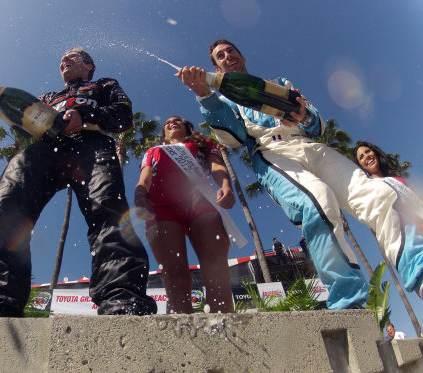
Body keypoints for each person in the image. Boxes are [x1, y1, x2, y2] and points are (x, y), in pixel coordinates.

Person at [177, 39, 423, 310]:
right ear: (216, 66)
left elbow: (316, 124)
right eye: (220, 56)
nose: (227, 56)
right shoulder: (223, 99)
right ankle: (348, 301)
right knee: (318, 203)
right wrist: (204, 94)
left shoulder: (280, 82)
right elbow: (233, 138)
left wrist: (303, 116)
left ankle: (421, 274)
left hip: (311, 146)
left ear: (241, 54)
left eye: (230, 51)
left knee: (380, 195)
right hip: (272, 152)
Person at [0, 47, 157, 317]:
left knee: (107, 208)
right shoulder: (48, 97)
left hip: (93, 144)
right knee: (7, 206)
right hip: (47, 147)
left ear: (88, 65)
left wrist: (87, 117)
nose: (64, 60)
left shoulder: (105, 84)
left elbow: (123, 117)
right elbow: (24, 121)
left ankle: (123, 301)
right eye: (61, 58)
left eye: (73, 56)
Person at [135, 116, 238, 313]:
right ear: (164, 134)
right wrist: (140, 192)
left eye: (177, 120)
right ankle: (181, 330)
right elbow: (145, 177)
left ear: (188, 127)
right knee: (174, 273)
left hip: (200, 204)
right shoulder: (153, 151)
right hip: (161, 208)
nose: (172, 122)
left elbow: (216, 166)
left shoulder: (204, 145)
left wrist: (225, 185)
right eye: (168, 122)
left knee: (215, 265)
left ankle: (224, 324)